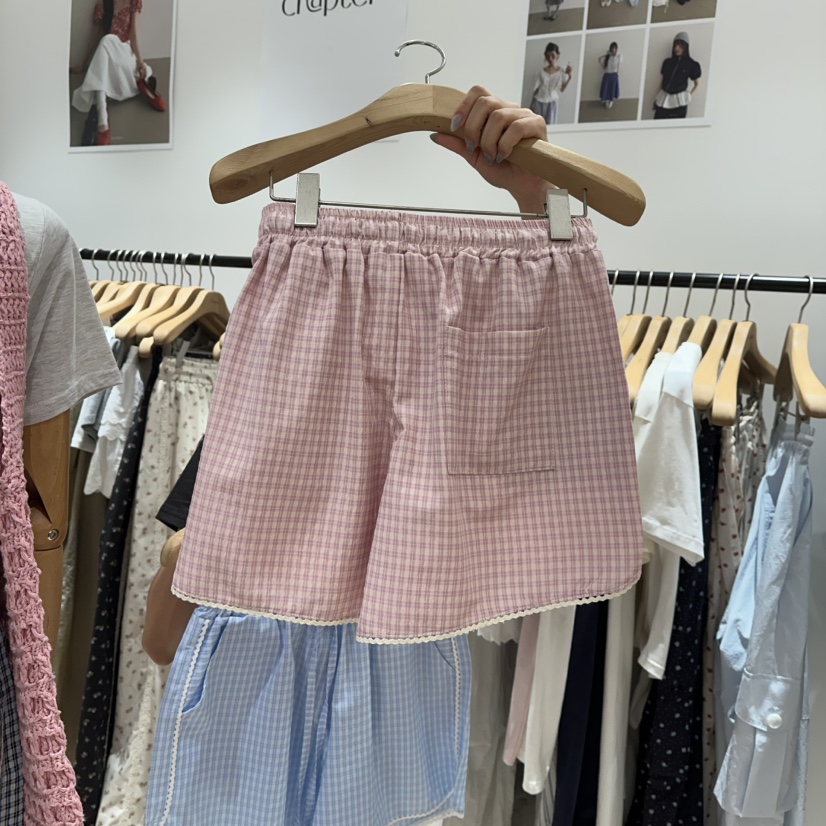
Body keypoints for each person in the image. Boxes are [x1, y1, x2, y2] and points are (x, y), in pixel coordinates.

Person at [141, 88, 563, 668]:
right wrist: (207, 548)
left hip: (387, 697)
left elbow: (542, 402)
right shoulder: (274, 422)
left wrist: (538, 198)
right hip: (256, 691)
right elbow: (162, 640)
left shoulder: (452, 440)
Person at [71, 0, 166, 147]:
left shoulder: (133, 2)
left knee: (106, 42)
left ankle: (103, 118)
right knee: (105, 41)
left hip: (125, 53)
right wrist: (83, 64)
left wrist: (140, 61)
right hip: (109, 56)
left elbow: (133, 33)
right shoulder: (104, 5)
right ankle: (102, 117)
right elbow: (96, 37)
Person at [653, 30, 702, 119]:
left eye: (680, 46)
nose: (677, 48)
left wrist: (689, 96)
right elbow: (662, 81)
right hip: (663, 99)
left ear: (686, 47)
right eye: (675, 45)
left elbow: (697, 83)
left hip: (680, 101)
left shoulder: (691, 64)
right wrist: (657, 98)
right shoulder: (667, 62)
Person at [530, 42, 573, 126]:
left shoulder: (562, 72)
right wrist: (531, 105)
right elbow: (536, 89)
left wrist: (570, 77)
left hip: (552, 102)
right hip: (539, 101)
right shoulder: (541, 72)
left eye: (552, 55)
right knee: (537, 126)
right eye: (548, 55)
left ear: (557, 54)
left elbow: (562, 89)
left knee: (550, 126)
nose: (550, 58)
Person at [598, 41, 622, 108]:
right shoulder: (608, 57)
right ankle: (606, 100)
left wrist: (617, 74)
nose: (613, 50)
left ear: (616, 49)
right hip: (607, 74)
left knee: (612, 89)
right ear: (610, 49)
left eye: (615, 48)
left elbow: (618, 66)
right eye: (612, 48)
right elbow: (604, 67)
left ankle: (611, 100)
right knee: (606, 88)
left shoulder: (619, 56)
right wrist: (606, 56)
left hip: (614, 75)